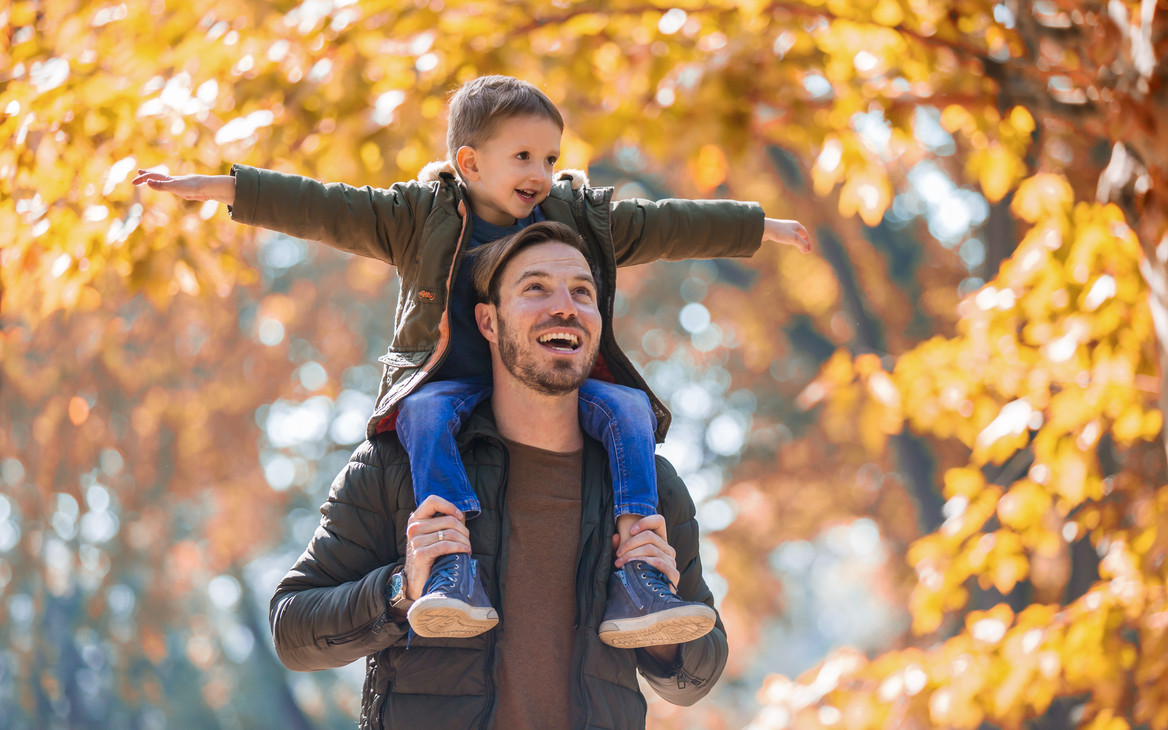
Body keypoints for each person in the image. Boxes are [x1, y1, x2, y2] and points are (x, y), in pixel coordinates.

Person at [133, 75, 811, 647]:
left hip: (548, 390)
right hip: (450, 385)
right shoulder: (416, 217)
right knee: (422, 411)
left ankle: (638, 566)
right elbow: (317, 206)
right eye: (524, 157)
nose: (542, 175)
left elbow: (668, 226)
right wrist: (217, 188)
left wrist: (761, 227)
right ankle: (453, 564)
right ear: (470, 163)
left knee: (631, 405)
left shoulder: (578, 217)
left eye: (551, 158)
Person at [270, 223, 728, 729]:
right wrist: (403, 590)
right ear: (488, 322)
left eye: (582, 291)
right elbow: (293, 630)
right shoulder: (399, 466)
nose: (565, 307)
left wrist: (665, 633)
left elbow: (700, 675)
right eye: (535, 288)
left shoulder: (650, 487)